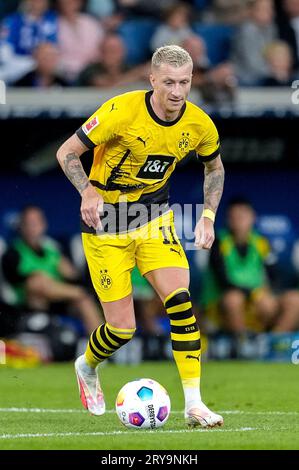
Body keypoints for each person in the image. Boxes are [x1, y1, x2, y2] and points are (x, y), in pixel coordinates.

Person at [56, 45, 225, 428]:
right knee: (122, 329)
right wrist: (87, 190)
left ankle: (195, 404)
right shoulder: (120, 111)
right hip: (106, 225)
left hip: (153, 219)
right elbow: (67, 153)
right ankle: (86, 365)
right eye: (168, 82)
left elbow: (214, 168)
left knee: (180, 302)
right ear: (152, 80)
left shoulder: (199, 124)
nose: (177, 92)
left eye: (184, 82)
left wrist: (209, 215)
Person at [1, 205, 102, 334]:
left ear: (44, 225)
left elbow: (73, 277)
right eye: (29, 223)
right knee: (38, 281)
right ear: (22, 226)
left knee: (84, 301)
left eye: (37, 222)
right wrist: (76, 291)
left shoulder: (52, 251)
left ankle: (102, 348)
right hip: (30, 304)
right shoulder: (13, 252)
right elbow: (22, 282)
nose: (34, 227)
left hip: (59, 300)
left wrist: (72, 280)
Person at [202, 198, 279, 334]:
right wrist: (252, 294)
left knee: (278, 302)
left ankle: (271, 340)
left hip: (254, 301)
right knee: (233, 299)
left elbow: (273, 276)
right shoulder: (219, 242)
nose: (239, 221)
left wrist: (263, 294)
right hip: (222, 304)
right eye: (234, 217)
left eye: (242, 216)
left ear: (252, 217)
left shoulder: (261, 242)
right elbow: (223, 281)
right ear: (228, 220)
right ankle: (243, 343)